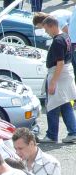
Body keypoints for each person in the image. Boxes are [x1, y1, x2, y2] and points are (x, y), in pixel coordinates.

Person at [38, 16, 76, 144]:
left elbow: (60, 63)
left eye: (46, 29)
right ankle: (73, 132)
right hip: (65, 74)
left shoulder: (58, 41)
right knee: (65, 104)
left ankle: (52, 135)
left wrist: (53, 82)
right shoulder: (66, 36)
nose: (46, 32)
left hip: (59, 75)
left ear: (52, 26)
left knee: (52, 106)